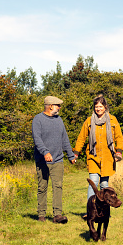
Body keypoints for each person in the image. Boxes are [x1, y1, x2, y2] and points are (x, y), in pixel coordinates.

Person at [73, 94, 123, 212]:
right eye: (96, 106)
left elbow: (119, 137)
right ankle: (91, 211)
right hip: (93, 156)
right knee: (93, 183)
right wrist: (76, 152)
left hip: (107, 157)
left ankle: (104, 211)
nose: (98, 109)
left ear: (105, 107)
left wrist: (119, 152)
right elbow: (82, 137)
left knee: (104, 185)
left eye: (101, 106)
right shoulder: (89, 121)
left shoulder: (113, 120)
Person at [32, 95, 77, 223]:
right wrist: (45, 152)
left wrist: (70, 155)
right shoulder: (38, 119)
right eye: (58, 105)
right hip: (42, 160)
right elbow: (37, 139)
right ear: (50, 106)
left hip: (58, 159)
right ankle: (41, 215)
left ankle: (57, 215)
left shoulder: (59, 120)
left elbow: (65, 139)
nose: (60, 107)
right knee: (42, 186)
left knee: (58, 186)